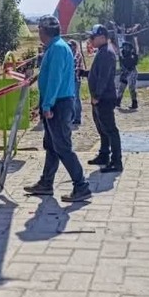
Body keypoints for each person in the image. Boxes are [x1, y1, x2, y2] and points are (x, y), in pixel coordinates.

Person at [24, 15, 92, 202]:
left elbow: (55, 79)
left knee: (62, 147)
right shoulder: (54, 47)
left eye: (39, 30)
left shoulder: (58, 49)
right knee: (52, 146)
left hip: (59, 104)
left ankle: (81, 186)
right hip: (56, 102)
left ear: (43, 31)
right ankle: (46, 183)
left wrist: (47, 105)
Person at [86, 25, 122, 172]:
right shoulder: (102, 51)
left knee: (110, 129)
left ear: (102, 37)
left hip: (104, 98)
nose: (90, 40)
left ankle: (116, 161)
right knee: (102, 129)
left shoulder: (106, 53)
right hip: (101, 98)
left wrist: (97, 95)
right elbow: (98, 73)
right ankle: (104, 154)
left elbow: (104, 77)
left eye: (92, 37)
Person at [117, 38, 139, 110]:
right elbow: (121, 65)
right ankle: (117, 102)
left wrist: (135, 41)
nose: (125, 49)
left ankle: (134, 103)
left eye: (127, 47)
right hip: (124, 72)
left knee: (131, 88)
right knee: (121, 88)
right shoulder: (121, 55)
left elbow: (134, 62)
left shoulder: (133, 55)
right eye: (124, 47)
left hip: (132, 72)